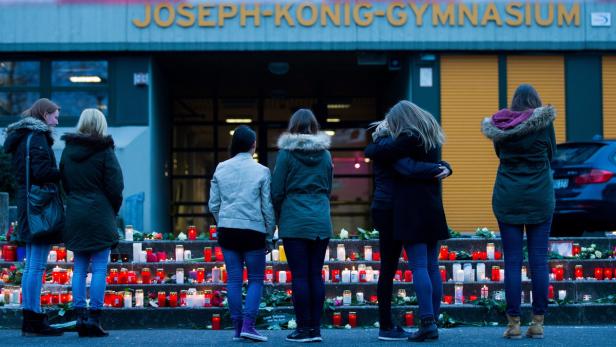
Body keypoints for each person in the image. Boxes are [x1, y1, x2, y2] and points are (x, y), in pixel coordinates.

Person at [365, 101, 450, 342]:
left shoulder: (403, 141)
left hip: (411, 208)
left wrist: (441, 168)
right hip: (432, 205)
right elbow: (426, 165)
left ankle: (427, 322)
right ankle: (433, 319)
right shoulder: (429, 133)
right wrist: (442, 167)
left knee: (421, 266)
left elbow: (407, 168)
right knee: (433, 266)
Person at [481, 84, 556, 339]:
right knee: (538, 261)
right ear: (536, 100)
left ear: (513, 102)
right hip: (540, 197)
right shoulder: (544, 124)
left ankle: (513, 324)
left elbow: (500, 154)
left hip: (508, 197)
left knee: (512, 262)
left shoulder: (502, 125)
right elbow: (551, 154)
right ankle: (537, 323)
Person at [60, 108, 124, 337]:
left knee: (78, 268)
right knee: (99, 268)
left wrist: (75, 200)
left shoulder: (68, 151)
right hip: (99, 213)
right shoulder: (105, 151)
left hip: (76, 212)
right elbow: (115, 186)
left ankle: (79, 316)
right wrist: (111, 209)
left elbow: (64, 183)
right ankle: (94, 318)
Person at [3, 98, 64, 336]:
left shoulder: (23, 137)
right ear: (44, 115)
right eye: (55, 116)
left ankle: (31, 316)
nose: (57, 121)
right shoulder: (36, 138)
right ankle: (33, 317)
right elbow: (40, 172)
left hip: (28, 203)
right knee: (36, 265)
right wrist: (62, 173)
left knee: (32, 264)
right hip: (38, 206)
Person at [209, 125, 275, 342]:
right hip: (253, 231)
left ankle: (237, 327)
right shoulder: (262, 171)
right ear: (253, 145)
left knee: (234, 280)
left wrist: (223, 222)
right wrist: (269, 234)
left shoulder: (221, 168)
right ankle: (249, 325)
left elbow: (213, 204)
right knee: (256, 279)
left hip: (228, 230)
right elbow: (267, 207)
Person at [272, 109, 332, 343]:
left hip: (294, 219)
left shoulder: (287, 155)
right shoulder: (325, 155)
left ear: (293, 127)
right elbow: (328, 186)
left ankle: (303, 329)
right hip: (320, 219)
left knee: (299, 276)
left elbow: (277, 190)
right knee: (315, 275)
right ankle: (315, 329)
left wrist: (279, 211)